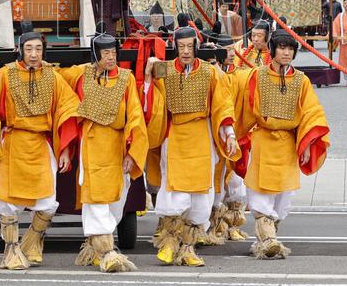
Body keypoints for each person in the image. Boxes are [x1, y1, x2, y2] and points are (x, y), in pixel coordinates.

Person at [144, 27, 239, 267]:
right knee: (174, 193)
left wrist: (228, 133)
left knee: (200, 197)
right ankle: (169, 242)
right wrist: (148, 77)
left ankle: (188, 248)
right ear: (175, 46)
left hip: (202, 136)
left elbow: (222, 105)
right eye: (181, 46)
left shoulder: (210, 72)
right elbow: (151, 97)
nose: (186, 51)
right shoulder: (164, 68)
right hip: (174, 136)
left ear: (196, 46)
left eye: (190, 46)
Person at [230, 31, 330, 258]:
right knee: (260, 191)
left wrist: (305, 145)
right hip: (262, 139)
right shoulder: (256, 75)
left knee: (284, 197)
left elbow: (311, 114)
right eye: (282, 47)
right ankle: (268, 239)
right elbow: (231, 86)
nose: (286, 52)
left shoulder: (302, 80)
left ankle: (266, 239)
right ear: (272, 49)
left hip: (287, 143)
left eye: (290, 48)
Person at [56, 33, 147, 273]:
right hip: (92, 142)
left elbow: (135, 115)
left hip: (117, 144)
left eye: (113, 53)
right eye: (105, 54)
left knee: (116, 198)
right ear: (95, 55)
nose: (110, 58)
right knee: (95, 195)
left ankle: (95, 245)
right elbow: (55, 83)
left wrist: (132, 151)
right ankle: (107, 251)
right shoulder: (80, 74)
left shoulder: (125, 79)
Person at [0, 31, 80, 270]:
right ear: (20, 49)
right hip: (12, 142)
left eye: (38, 49)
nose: (33, 54)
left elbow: (69, 106)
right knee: (7, 201)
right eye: (29, 49)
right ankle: (10, 252)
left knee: (47, 201)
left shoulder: (53, 75)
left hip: (41, 144)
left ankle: (31, 244)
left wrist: (64, 149)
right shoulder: (5, 74)